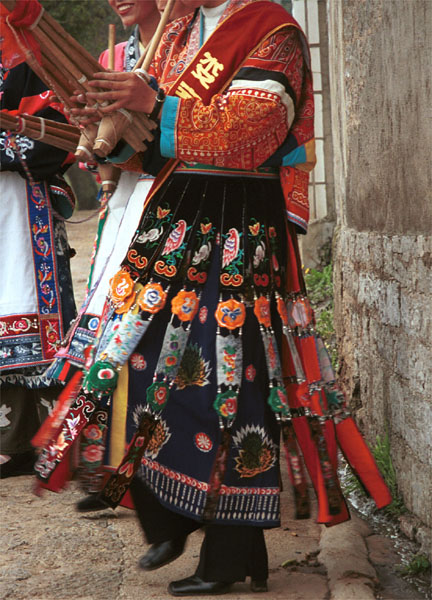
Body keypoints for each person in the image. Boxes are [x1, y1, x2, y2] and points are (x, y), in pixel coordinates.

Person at [35, 0, 391, 595]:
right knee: (133, 367)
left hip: (238, 231)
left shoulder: (271, 28)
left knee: (228, 380)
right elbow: (150, 148)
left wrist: (152, 104)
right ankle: (167, 516)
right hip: (172, 224)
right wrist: (115, 131)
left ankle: (230, 549)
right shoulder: (175, 30)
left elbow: (254, 131)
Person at [48, 0, 193, 511]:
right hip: (128, 207)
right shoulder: (113, 56)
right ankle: (110, 475)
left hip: (178, 209)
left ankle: (163, 480)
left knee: (152, 344)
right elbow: (110, 151)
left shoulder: (193, 48)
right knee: (111, 338)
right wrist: (94, 135)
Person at [0, 60, 76, 478]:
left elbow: (57, 135)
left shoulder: (27, 58)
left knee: (25, 310)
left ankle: (29, 441)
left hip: (21, 205)